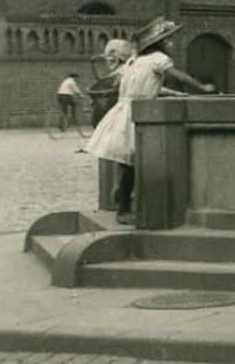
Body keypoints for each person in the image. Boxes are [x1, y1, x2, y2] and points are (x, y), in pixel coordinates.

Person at [86, 17, 215, 225]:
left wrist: (173, 95)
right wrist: (202, 88)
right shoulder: (158, 59)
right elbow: (180, 77)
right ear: (160, 43)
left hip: (123, 112)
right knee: (135, 160)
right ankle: (124, 208)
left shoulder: (134, 60)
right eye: (169, 40)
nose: (171, 44)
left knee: (127, 161)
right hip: (140, 115)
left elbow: (142, 86)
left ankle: (122, 199)